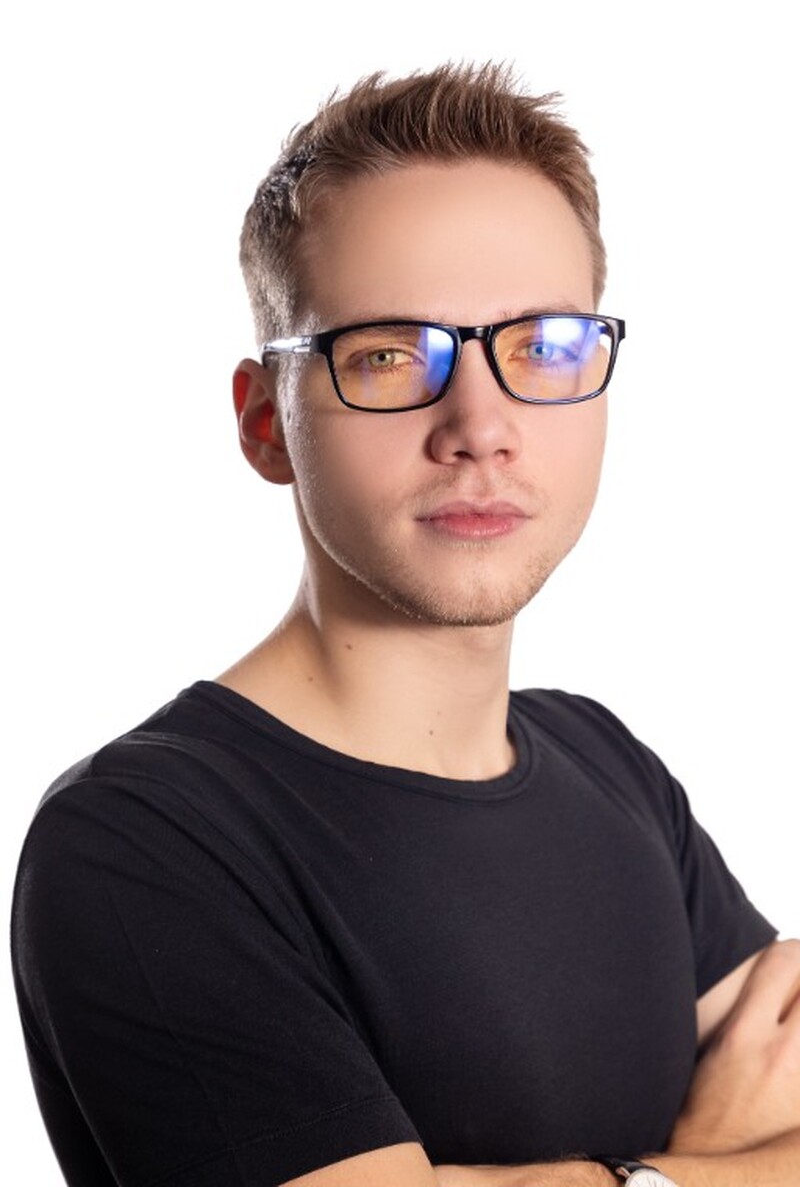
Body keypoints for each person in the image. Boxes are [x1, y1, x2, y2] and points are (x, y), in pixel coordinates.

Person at [10, 63, 800, 1187]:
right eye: (388, 354)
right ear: (266, 423)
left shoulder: (609, 766)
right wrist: (693, 1166)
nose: (480, 424)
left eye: (543, 345)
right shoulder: (146, 839)